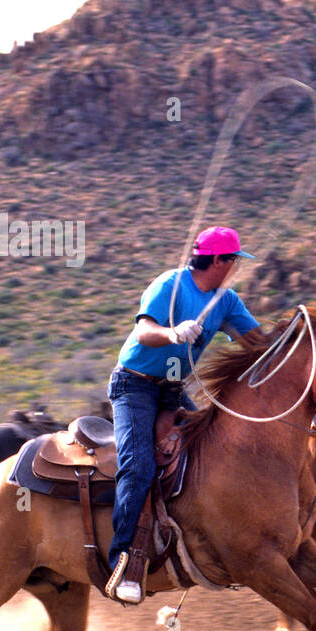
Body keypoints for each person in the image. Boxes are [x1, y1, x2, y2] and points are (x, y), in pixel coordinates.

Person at [105, 226, 261, 604]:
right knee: (139, 465)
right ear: (219, 261)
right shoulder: (170, 285)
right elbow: (144, 332)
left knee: (215, 457)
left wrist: (300, 343)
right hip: (135, 386)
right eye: (235, 261)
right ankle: (123, 562)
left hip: (172, 390)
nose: (237, 268)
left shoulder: (226, 300)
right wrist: (173, 333)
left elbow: (258, 344)